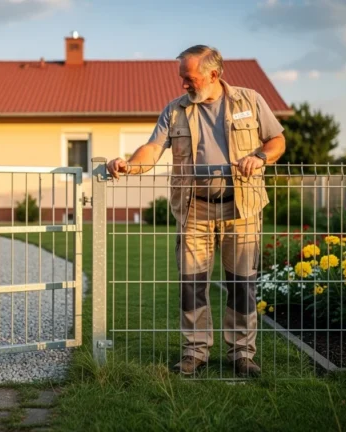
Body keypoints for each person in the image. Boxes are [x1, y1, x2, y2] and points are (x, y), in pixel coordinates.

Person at [106, 45, 286, 378]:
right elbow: (152, 149)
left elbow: (277, 141)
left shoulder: (250, 101)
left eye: (189, 78)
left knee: (242, 285)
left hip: (241, 208)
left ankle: (242, 354)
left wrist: (259, 157)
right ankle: (195, 352)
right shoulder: (175, 111)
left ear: (213, 74)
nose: (183, 85)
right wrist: (128, 165)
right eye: (182, 78)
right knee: (192, 284)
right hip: (195, 209)